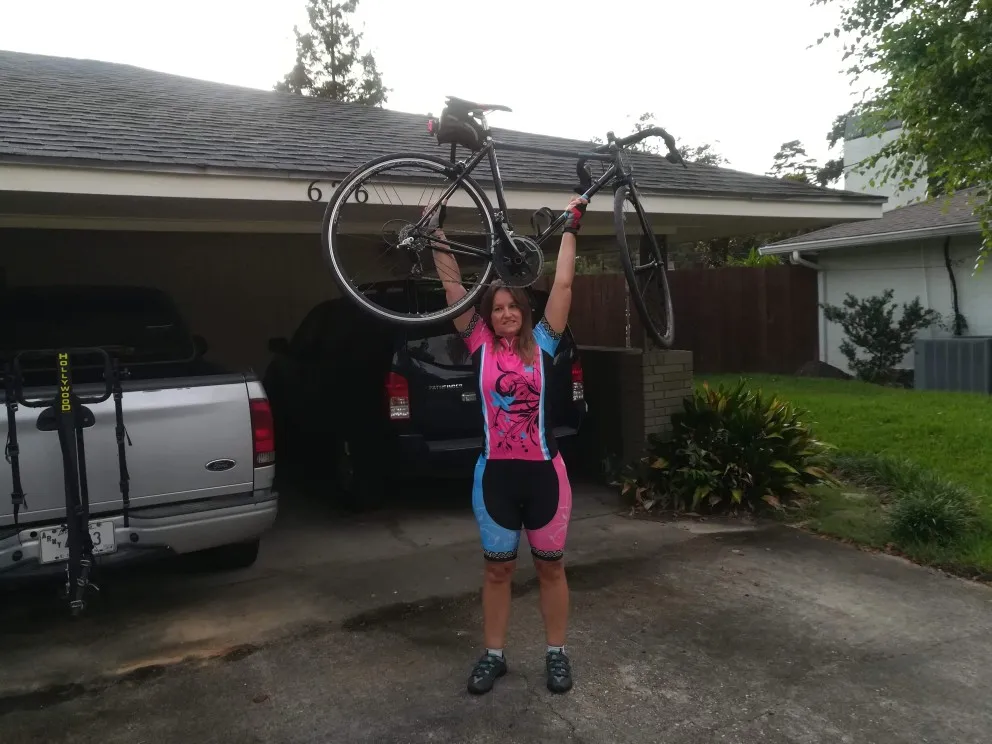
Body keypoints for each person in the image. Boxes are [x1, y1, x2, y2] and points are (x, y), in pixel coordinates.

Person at [427, 194, 588, 696]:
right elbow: (453, 288)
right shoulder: (478, 345)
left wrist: (570, 228)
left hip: (544, 475)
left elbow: (563, 285)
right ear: (489, 317)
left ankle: (556, 653)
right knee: (497, 573)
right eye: (496, 309)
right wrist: (435, 234)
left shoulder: (545, 342)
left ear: (524, 309)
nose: (504, 313)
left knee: (550, 567)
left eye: (511, 306)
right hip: (494, 476)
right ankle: (494, 656)